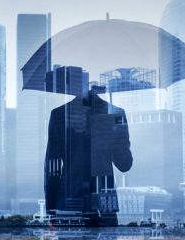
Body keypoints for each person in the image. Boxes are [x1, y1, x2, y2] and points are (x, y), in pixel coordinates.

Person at [44, 66, 132, 226]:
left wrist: (51, 208)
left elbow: (52, 168)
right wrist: (115, 134)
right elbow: (125, 164)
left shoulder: (59, 115)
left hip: (68, 202)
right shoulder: (116, 114)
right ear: (101, 88)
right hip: (104, 203)